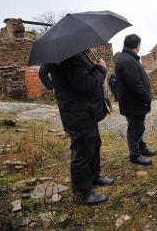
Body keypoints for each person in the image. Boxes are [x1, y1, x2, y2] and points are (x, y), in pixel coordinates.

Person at [50, 52, 113, 205]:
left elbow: (85, 76)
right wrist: (101, 69)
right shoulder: (69, 57)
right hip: (79, 114)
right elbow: (86, 84)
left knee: (94, 144)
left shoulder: (76, 54)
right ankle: (82, 193)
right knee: (82, 152)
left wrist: (95, 66)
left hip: (87, 112)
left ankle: (94, 177)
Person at [115, 34, 156, 166]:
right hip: (133, 103)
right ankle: (135, 154)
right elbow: (135, 85)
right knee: (135, 129)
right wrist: (147, 98)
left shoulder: (127, 58)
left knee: (138, 127)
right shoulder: (128, 61)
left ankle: (141, 148)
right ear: (137, 45)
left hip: (131, 103)